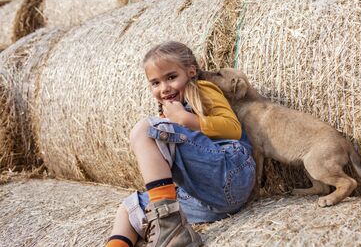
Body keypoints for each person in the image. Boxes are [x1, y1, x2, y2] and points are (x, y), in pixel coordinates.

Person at [106, 41, 256, 247]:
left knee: (144, 130)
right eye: (155, 83)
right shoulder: (169, 110)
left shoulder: (202, 89)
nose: (164, 88)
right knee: (130, 208)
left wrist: (185, 119)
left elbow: (233, 128)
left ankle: (170, 227)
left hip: (230, 172)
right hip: (205, 200)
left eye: (171, 77)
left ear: (191, 72)